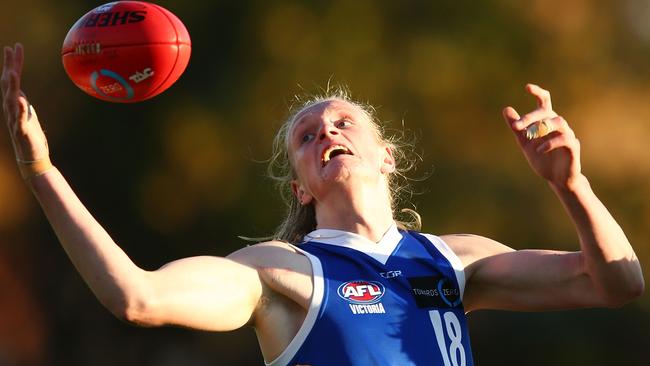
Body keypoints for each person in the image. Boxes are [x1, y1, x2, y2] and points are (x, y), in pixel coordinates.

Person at [2, 42, 644, 365]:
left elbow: (616, 284)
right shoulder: (281, 274)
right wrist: (40, 170)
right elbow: (135, 297)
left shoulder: (455, 261)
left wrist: (571, 187)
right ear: (300, 189)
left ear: (387, 155)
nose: (326, 134)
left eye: (342, 124)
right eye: (306, 137)